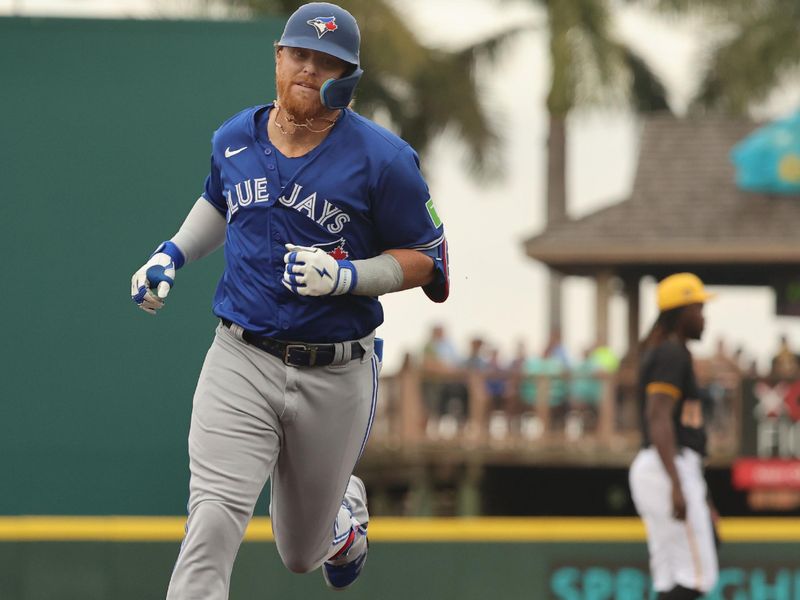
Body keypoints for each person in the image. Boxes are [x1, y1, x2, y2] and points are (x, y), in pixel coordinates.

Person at [129, 3, 449, 596]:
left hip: (336, 369)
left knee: (300, 553)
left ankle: (342, 516)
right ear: (278, 58)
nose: (308, 69)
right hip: (241, 356)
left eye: (326, 61)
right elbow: (221, 202)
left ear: (349, 75)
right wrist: (171, 252)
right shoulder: (234, 138)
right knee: (212, 519)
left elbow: (429, 258)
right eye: (299, 55)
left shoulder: (384, 159)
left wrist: (347, 276)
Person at [628, 273, 719, 599]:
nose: (704, 316)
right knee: (696, 577)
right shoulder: (672, 353)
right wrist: (678, 485)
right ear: (682, 313)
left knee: (672, 578)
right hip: (667, 465)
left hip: (665, 466)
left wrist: (702, 497)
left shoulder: (668, 351)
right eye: (698, 308)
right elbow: (658, 416)